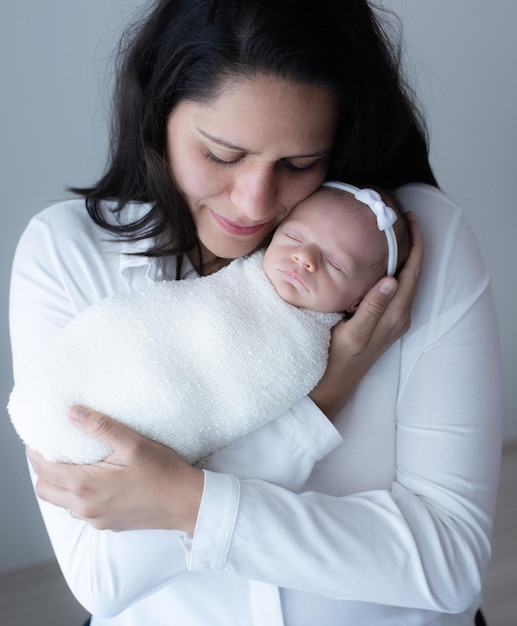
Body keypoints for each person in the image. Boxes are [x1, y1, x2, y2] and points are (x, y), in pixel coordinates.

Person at [9, 1, 502, 624]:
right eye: (221, 154)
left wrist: (181, 499)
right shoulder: (66, 254)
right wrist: (320, 401)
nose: (254, 202)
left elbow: (449, 566)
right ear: (159, 116)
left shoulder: (406, 245)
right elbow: (102, 580)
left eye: (299, 165)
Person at [9, 182, 409, 466]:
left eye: (336, 263)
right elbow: (156, 321)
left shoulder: (307, 355)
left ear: (363, 298)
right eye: (294, 237)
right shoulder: (236, 278)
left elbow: (231, 410)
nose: (305, 258)